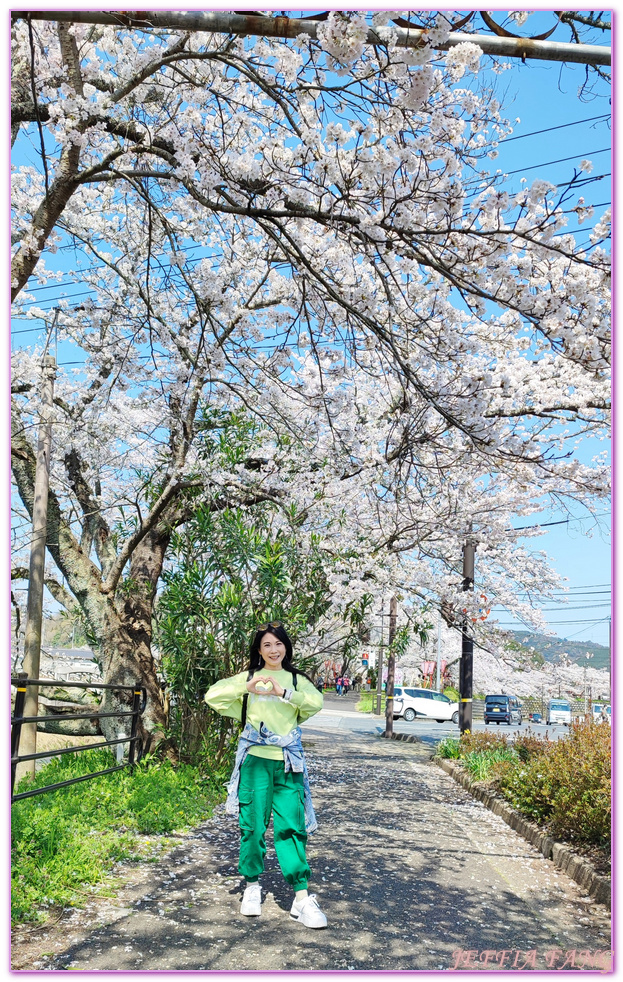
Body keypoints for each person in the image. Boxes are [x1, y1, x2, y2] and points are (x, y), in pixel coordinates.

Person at [204, 621, 327, 929]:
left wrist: (283, 692)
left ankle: (301, 896)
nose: (274, 650)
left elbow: (316, 702)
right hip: (255, 762)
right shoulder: (248, 677)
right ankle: (252, 886)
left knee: (291, 827)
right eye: (267, 645)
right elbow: (213, 697)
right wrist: (245, 687)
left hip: (288, 763)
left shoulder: (297, 681)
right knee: (253, 827)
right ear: (259, 650)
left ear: (287, 646)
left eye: (278, 644)